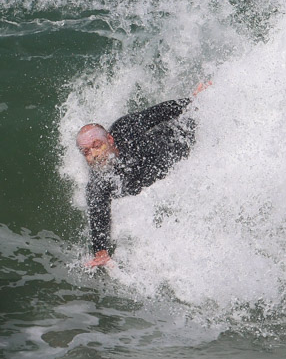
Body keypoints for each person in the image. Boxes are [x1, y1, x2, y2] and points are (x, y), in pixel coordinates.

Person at [77, 81, 211, 268]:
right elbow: (98, 213)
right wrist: (101, 253)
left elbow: (158, 113)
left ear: (109, 139)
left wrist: (191, 102)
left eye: (97, 145)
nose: (94, 155)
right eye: (86, 152)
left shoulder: (125, 128)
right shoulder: (99, 183)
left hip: (181, 139)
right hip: (165, 175)